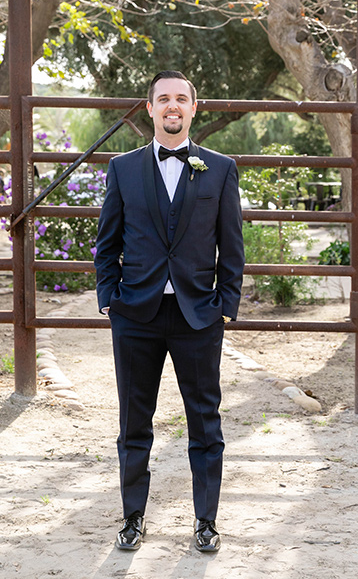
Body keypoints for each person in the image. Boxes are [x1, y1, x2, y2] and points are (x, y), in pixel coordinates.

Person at [94, 70, 245, 552]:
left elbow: (232, 246)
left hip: (198, 316)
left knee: (205, 423)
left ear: (193, 108)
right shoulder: (123, 169)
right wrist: (108, 300)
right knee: (134, 423)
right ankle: (133, 518)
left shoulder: (220, 169)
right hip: (135, 316)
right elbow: (106, 244)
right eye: (164, 99)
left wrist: (225, 306)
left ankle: (206, 522)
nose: (173, 106)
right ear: (151, 108)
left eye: (182, 98)